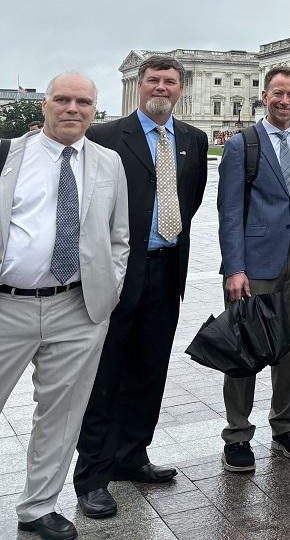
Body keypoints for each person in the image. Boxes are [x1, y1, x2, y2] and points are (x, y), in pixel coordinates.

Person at [73, 57, 208, 520]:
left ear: (181, 88)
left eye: (170, 81)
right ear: (139, 84)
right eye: (154, 80)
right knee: (105, 372)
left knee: (150, 370)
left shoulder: (194, 139)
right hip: (117, 271)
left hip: (166, 269)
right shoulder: (106, 136)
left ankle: (132, 455)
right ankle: (92, 474)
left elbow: (189, 205)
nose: (162, 88)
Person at [0, 74, 130, 540]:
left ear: (95, 109)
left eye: (83, 101)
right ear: (45, 105)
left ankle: (38, 506)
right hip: (6, 306)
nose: (72, 108)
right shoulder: (8, 154)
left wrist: (108, 290)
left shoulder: (108, 162)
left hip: (76, 308)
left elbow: (120, 235)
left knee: (61, 414)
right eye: (62, 99)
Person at [216, 65, 290, 473]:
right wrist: (234, 268)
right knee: (245, 348)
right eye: (278, 93)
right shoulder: (242, 144)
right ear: (264, 97)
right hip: (255, 264)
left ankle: (284, 425)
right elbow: (229, 211)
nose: (285, 101)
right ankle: (238, 434)